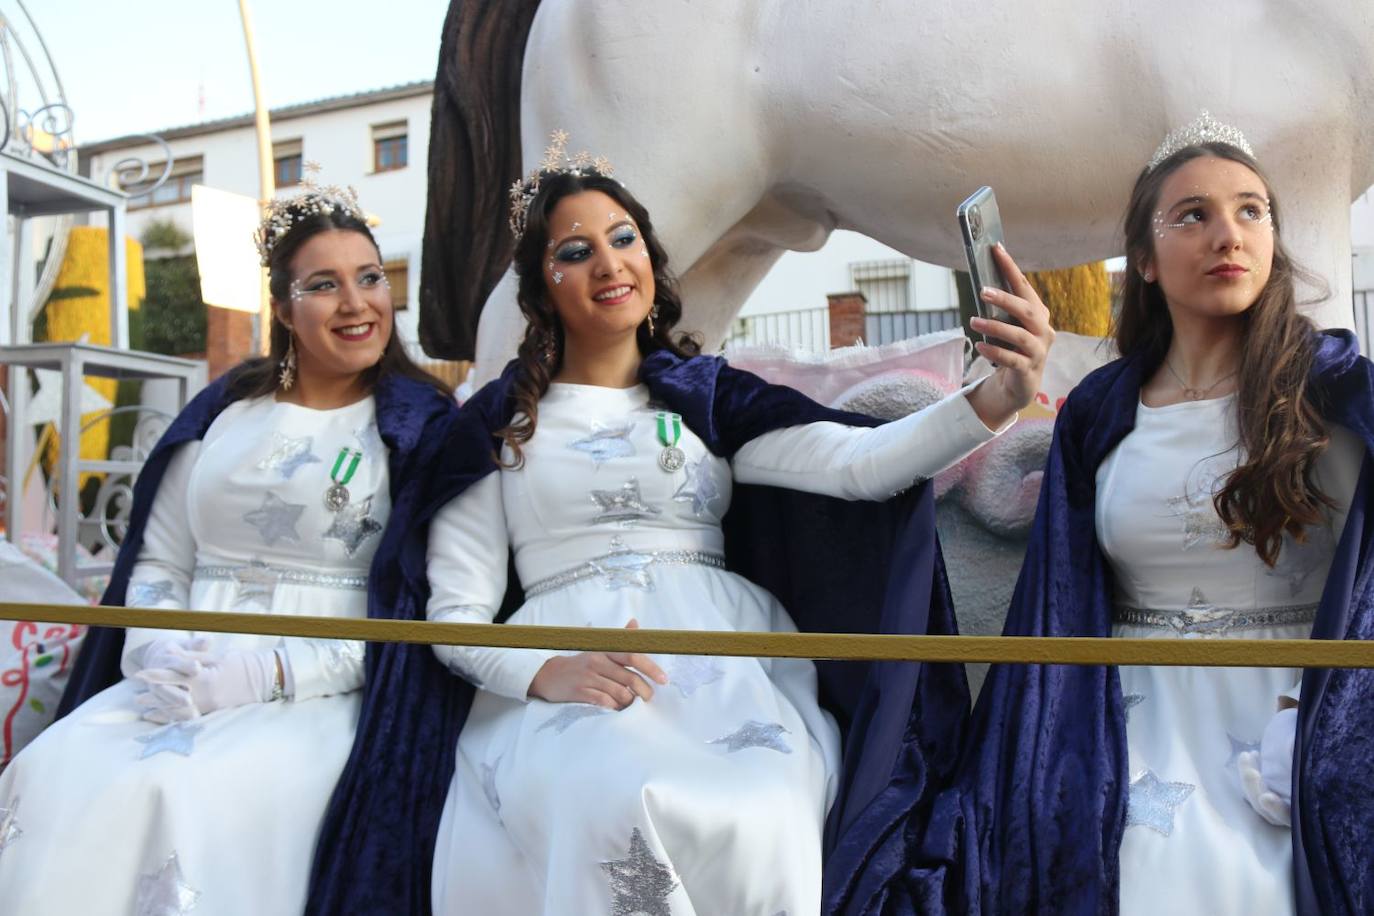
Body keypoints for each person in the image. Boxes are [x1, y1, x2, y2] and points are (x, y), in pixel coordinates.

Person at [394, 134, 1054, 914]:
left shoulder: (708, 402)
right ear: (540, 287)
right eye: (575, 250)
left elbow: (859, 464)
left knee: (768, 808)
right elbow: (454, 613)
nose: (609, 264)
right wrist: (541, 670)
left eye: (624, 238)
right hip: (569, 680)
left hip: (728, 672)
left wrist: (996, 400)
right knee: (612, 796)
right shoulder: (495, 426)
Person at [912, 113, 1374, 915]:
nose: (1228, 233)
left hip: (1299, 713)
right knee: (1135, 862)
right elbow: (1057, 600)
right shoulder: (1100, 409)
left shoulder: (1337, 391)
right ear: (1146, 261)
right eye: (1193, 214)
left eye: (1251, 210)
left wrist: (1321, 724)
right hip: (1119, 720)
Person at [0, 176, 457, 914]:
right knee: (54, 767)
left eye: (370, 277)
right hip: (177, 678)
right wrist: (155, 651)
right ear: (283, 308)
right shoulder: (223, 410)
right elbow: (158, 561)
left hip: (324, 691)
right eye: (324, 284)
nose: (356, 303)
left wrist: (265, 674)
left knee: (179, 793)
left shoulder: (421, 426)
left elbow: (419, 610)